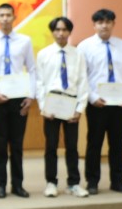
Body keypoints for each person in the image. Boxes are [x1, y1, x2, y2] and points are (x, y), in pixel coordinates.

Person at [77, 9, 122, 195]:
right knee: (94, 143)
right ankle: (92, 182)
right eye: (100, 22)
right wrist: (92, 97)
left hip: (120, 104)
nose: (104, 25)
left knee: (117, 144)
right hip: (97, 103)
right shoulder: (85, 46)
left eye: (108, 22)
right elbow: (81, 76)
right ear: (94, 25)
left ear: (113, 24)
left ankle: (117, 181)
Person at [0, 3, 36, 198]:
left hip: (19, 98)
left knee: (17, 144)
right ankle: (1, 184)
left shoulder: (25, 41)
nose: (5, 19)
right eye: (1, 15)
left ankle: (17, 185)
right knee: (0, 143)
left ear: (14, 17)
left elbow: (32, 69)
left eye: (8, 15)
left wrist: (31, 95)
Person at [35, 18, 90, 198]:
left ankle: (74, 183)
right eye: (57, 30)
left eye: (64, 30)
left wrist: (79, 109)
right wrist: (43, 107)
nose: (61, 33)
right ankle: (51, 183)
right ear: (52, 32)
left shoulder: (78, 54)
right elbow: (39, 82)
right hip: (51, 104)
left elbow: (83, 82)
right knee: (51, 146)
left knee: (72, 146)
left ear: (69, 32)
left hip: (70, 104)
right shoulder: (43, 54)